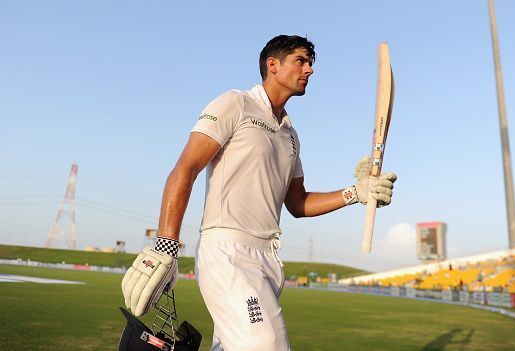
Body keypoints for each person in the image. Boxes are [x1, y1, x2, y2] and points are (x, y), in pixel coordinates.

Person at [122, 34, 397, 351]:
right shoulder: (235, 103)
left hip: (268, 258)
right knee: (267, 345)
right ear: (273, 65)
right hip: (228, 252)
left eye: (310, 63)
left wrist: (356, 193)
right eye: (301, 61)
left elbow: (297, 202)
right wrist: (166, 246)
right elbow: (185, 168)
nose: (309, 69)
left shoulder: (291, 135)